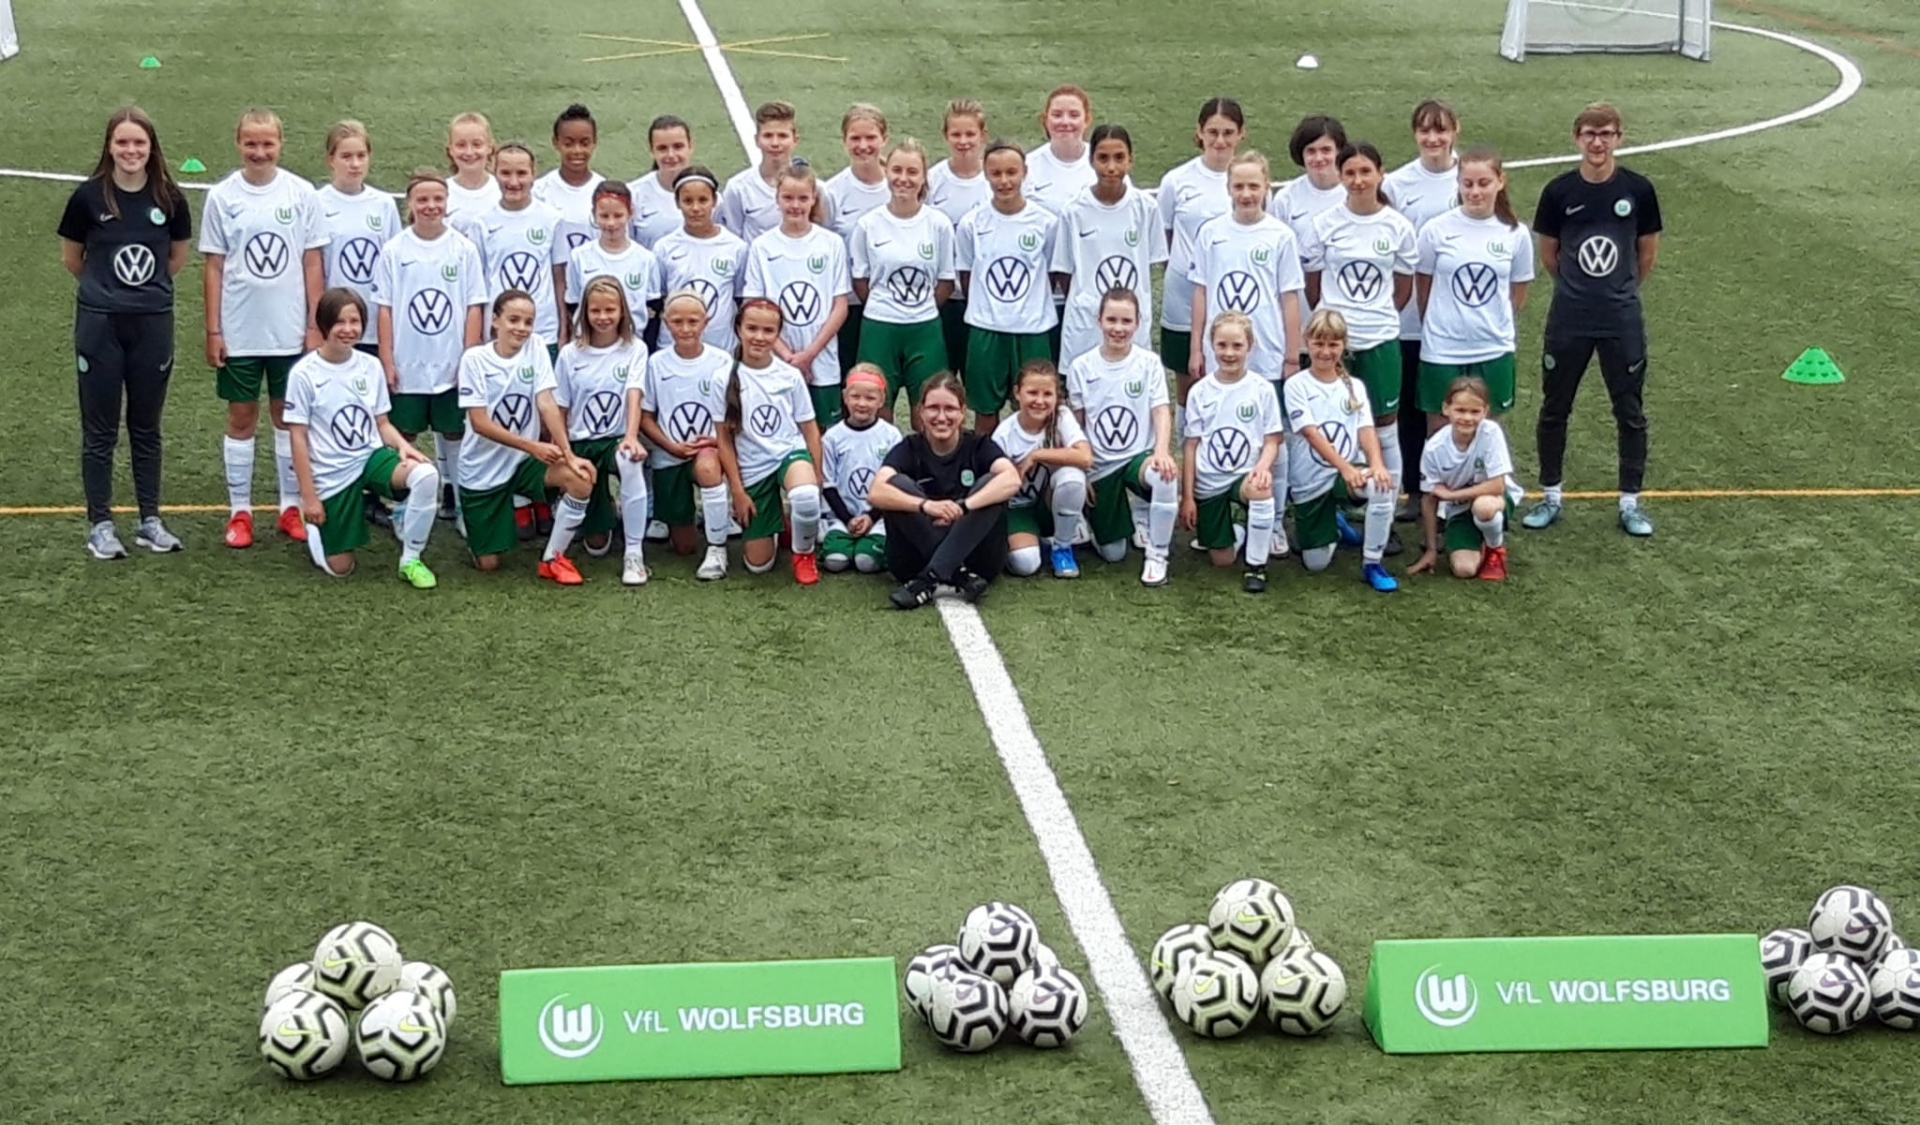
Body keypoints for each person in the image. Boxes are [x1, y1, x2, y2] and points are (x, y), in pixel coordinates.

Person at [1522, 101, 1663, 537]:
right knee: (1554, 408)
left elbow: (1646, 254)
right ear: (1577, 138)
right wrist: (1577, 289)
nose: (1597, 142)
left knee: (1630, 411)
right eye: (1589, 134)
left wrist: (1618, 291)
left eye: (1605, 134)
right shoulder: (1559, 192)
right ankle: (1550, 496)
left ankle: (1630, 503)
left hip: (1621, 319)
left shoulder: (1638, 190)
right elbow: (1550, 255)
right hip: (1569, 318)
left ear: (1619, 138)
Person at [60, 105, 191, 558]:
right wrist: (107, 292)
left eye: (139, 142)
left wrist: (141, 295)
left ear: (151, 148)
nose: (130, 150)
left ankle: (149, 520)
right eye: (123, 142)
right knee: (99, 430)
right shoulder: (87, 198)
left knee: (146, 427)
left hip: (152, 323)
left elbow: (175, 259)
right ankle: (100, 524)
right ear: (110, 147)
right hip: (100, 324)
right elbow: (73, 259)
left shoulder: (170, 199)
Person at [200, 107, 328, 549]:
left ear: (280, 143)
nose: (259, 152)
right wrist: (214, 330)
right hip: (240, 331)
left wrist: (314, 324)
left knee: (287, 417)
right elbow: (214, 266)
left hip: (289, 332)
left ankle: (290, 506)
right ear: (238, 143)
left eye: (267, 143)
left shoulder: (301, 193)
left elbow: (312, 262)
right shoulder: (222, 197)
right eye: (251, 143)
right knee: (241, 417)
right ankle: (240, 512)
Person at [1302, 141, 1415, 554]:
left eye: (1365, 171)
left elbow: (1403, 287)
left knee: (1384, 428)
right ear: (1340, 175)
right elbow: (1313, 285)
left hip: (1380, 341)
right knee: (1331, 425)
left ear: (1380, 174)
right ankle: (1326, 511)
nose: (1358, 180)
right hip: (1336, 345)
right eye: (1349, 172)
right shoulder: (1325, 224)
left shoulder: (1397, 227)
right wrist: (1335, 322)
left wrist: (1376, 315)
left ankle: (1384, 518)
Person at [285, 288, 440, 588]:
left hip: (369, 458)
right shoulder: (304, 374)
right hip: (331, 473)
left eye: (354, 321)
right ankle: (317, 528)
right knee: (340, 569)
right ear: (324, 325)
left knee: (426, 475)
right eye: (339, 322)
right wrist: (309, 498)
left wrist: (403, 446)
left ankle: (411, 559)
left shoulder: (370, 366)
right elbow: (298, 438)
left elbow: (381, 423)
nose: (348, 329)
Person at [455, 290, 596, 582]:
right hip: (482, 471)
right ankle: (481, 531)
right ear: (495, 321)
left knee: (580, 477)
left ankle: (553, 559)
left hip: (522, 463)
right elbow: (479, 423)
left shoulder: (536, 346)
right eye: (513, 319)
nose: (521, 328)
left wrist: (568, 454)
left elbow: (546, 402)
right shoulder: (474, 359)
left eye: (528, 321)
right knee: (488, 565)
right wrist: (532, 446)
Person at [372, 170, 486, 521]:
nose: (431, 206)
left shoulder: (463, 249)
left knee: (454, 431)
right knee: (404, 433)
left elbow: (474, 306)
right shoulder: (394, 250)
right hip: (408, 363)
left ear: (447, 202)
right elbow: (385, 309)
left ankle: (461, 504)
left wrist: (468, 358)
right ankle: (405, 508)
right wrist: (387, 359)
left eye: (438, 199)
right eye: (422, 199)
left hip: (450, 364)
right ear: (410, 203)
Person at [866, 372, 1022, 608]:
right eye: (933, 408)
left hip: (980, 561)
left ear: (962, 412)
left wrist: (964, 507)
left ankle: (928, 579)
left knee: (993, 483)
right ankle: (958, 574)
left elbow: (1012, 479)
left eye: (949, 408)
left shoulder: (979, 445)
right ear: (921, 411)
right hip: (911, 562)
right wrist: (926, 506)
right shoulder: (909, 447)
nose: (941, 417)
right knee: (896, 485)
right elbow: (876, 492)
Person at [1062, 288, 1178, 585]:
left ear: (1138, 323)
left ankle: (1157, 555)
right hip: (1100, 466)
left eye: (1126, 321)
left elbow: (1161, 410)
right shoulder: (1081, 367)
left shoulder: (1148, 363)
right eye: (1111, 320)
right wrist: (1081, 472)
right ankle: (1098, 519)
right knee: (1113, 553)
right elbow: (1076, 426)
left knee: (1164, 475)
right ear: (1099, 320)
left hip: (1137, 458)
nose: (1118, 328)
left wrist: (1161, 451)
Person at [1415, 146, 1532, 430]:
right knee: (1440, 433)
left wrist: (1495, 320)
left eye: (1484, 183)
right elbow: (1423, 288)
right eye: (1467, 184)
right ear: (1458, 184)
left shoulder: (1515, 234)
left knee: (1487, 432)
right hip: (1442, 348)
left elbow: (1518, 290)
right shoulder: (1435, 230)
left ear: (1500, 182)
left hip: (1492, 347)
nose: (1475, 192)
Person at [1284, 309, 1398, 592]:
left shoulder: (1354, 386)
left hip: (1347, 476)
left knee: (1380, 485)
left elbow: (1366, 429)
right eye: (1318, 343)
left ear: (1343, 345)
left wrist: (1376, 464)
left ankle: (1372, 563)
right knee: (1316, 563)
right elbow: (1310, 433)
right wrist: (1344, 467)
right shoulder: (1296, 385)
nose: (1325, 351)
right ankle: (1333, 524)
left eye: (1333, 344)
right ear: (1307, 342)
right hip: (1310, 481)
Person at [1385, 99, 1462, 517]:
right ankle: (1416, 492)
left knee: (1452, 406)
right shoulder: (1398, 184)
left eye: (1441, 130)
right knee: (1410, 410)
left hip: (1454, 320)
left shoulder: (1470, 178)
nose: (1433, 138)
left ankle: (1457, 491)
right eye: (1425, 130)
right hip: (1408, 319)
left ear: (1455, 131)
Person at [954, 140, 1059, 436]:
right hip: (986, 329)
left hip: (1033, 329)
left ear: (1024, 172)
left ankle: (1039, 463)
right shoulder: (972, 223)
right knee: (985, 411)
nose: (1004, 181)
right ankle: (986, 463)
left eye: (1011, 172)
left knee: (1036, 408)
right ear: (985, 175)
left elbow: (1052, 274)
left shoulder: (1046, 223)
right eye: (996, 173)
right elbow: (966, 275)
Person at [716, 299, 825, 584]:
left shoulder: (789, 375)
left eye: (768, 331)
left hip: (789, 454)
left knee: (805, 495)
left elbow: (810, 430)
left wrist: (817, 476)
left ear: (778, 335)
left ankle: (804, 554)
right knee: (758, 565)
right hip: (753, 466)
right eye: (752, 328)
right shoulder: (722, 377)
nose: (759, 337)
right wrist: (737, 492)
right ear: (738, 329)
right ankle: (782, 523)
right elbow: (724, 440)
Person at [1180, 312, 1286, 593]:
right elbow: (1191, 445)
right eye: (1222, 345)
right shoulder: (1200, 391)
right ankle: (1239, 525)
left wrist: (1262, 467)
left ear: (1250, 346)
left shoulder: (1262, 389)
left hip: (1244, 476)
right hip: (1209, 482)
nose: (1229, 353)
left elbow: (1273, 439)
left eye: (1237, 346)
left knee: (1261, 487)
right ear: (1211, 345)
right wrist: (1188, 496)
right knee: (1222, 560)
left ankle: (1256, 567)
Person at [851, 138, 956, 420]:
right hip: (879, 327)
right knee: (876, 406)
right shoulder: (869, 224)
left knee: (928, 407)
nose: (903, 179)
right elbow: (860, 280)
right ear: (887, 172)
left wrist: (919, 308)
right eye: (897, 170)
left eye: (912, 172)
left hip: (924, 328)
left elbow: (946, 280)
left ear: (923, 177)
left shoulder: (938, 224)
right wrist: (886, 305)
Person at [553, 276, 649, 582]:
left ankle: (634, 553)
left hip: (615, 440)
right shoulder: (570, 354)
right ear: (584, 312)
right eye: (595, 310)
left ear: (622, 311)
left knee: (629, 460)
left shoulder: (635, 349)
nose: (603, 317)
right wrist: (564, 452)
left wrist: (631, 436)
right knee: (596, 546)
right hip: (581, 443)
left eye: (610, 310)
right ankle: (600, 510)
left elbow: (634, 393)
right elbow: (560, 407)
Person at [741, 162, 850, 426]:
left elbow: (840, 305)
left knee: (824, 434)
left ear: (813, 199)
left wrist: (809, 354)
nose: (795, 205)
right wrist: (788, 356)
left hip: (822, 362)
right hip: (777, 361)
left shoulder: (831, 243)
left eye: (802, 198)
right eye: (788, 198)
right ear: (777, 198)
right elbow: (753, 305)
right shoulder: (762, 246)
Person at [634, 291, 734, 578]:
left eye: (693, 321)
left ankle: (717, 547)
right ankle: (703, 515)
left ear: (706, 322)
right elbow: (645, 418)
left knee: (707, 465)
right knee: (684, 546)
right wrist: (670, 446)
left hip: (709, 450)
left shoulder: (721, 360)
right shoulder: (656, 363)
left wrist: (716, 441)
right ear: (666, 323)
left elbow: (733, 413)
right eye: (677, 322)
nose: (686, 328)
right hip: (670, 455)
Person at [1051, 124, 1166, 367]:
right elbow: (1063, 271)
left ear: (1130, 160)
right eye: (1103, 158)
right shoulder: (1074, 210)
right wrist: (1087, 300)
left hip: (1131, 323)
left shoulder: (1146, 208)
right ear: (1091, 161)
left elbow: (1151, 264)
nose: (1111, 167)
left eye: (1119, 157)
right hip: (1086, 325)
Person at [1188, 150, 1305, 387]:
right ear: (1228, 188)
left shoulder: (1281, 236)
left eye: (1253, 186)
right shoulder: (1210, 233)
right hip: (1220, 353)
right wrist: (1196, 349)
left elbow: (1290, 298)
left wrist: (1292, 356)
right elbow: (1201, 292)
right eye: (1238, 186)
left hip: (1267, 355)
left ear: (1266, 188)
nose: (1246, 194)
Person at [1158, 97, 1245, 409]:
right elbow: (1165, 236)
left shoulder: (1248, 181)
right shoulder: (1176, 181)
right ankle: (1188, 439)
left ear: (1241, 134)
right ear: (1200, 132)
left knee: (1234, 381)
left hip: (1234, 296)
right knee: (1189, 384)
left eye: (1228, 132)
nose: (1220, 141)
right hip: (1182, 298)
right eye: (1213, 132)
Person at [1408, 376, 1522, 582]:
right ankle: (1478, 540)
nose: (1467, 418)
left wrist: (1452, 495)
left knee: (1484, 507)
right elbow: (1429, 499)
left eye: (1474, 411)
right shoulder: (1434, 448)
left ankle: (1495, 550)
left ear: (1485, 411)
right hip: (1459, 510)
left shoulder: (1491, 432)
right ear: (1446, 409)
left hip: (1495, 500)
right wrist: (1431, 549)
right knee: (1464, 570)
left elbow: (1497, 486)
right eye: (1460, 410)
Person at [994, 359, 1091, 578]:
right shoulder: (1004, 435)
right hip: (1017, 507)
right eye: (1032, 393)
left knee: (1073, 478)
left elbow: (1085, 457)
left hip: (1048, 502)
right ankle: (1027, 541)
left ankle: (1062, 547)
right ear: (1017, 393)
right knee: (1025, 564)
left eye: (1047, 394)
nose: (1039, 401)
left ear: (1057, 397)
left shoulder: (1061, 416)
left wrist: (1036, 455)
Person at [473, 143, 568, 349]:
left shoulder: (552, 219)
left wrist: (563, 328)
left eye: (522, 173)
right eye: (505, 173)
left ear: (533, 174)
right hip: (498, 333)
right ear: (494, 173)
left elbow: (559, 277)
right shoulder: (481, 222)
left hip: (543, 332)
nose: (513, 181)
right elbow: (476, 285)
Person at [825, 103, 891, 380]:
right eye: (855, 138)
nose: (863, 146)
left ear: (884, 138)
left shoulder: (901, 185)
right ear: (844, 141)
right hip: (849, 306)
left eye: (870, 137)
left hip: (893, 305)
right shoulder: (832, 192)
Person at [653, 165, 748, 352]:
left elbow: (738, 297)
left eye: (703, 200)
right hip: (673, 348)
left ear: (715, 200)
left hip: (722, 348)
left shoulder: (736, 247)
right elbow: (661, 296)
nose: (695, 208)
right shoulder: (664, 248)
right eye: (688, 201)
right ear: (677, 202)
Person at [928, 99, 990, 381]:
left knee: (977, 382)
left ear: (982, 135)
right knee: (940, 381)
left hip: (984, 300)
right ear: (945, 135)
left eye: (970, 134)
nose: (963, 141)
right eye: (956, 134)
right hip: (944, 300)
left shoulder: (994, 180)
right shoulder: (932, 180)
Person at [819, 364, 902, 574]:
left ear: (881, 400)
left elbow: (894, 484)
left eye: (870, 398)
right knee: (835, 561)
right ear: (845, 397)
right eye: (855, 396)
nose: (862, 404)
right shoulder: (832, 437)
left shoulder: (891, 436)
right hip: (842, 516)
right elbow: (827, 484)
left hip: (878, 518)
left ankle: (876, 542)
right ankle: (836, 535)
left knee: (866, 562)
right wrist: (847, 519)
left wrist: (871, 517)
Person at [565, 180, 660, 337]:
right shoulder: (579, 256)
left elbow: (652, 308)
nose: (611, 223)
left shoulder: (646, 259)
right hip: (590, 343)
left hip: (631, 344)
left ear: (630, 213)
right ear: (594, 214)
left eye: (618, 215)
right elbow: (573, 303)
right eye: (604, 216)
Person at [1267, 115, 1349, 274]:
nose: (1319, 158)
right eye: (1311, 151)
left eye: (1326, 150)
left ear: (1339, 151)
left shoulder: (1355, 192)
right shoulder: (1286, 199)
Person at [719, 101, 799, 243]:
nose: (775, 143)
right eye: (768, 136)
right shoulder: (738, 188)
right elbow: (733, 239)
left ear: (795, 140)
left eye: (782, 136)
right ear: (757, 140)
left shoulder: (815, 188)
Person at [532, 103, 606, 255]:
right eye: (568, 144)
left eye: (584, 143)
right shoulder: (539, 191)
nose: (577, 150)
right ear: (556, 142)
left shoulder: (605, 191)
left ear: (594, 142)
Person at [1024, 85, 1096, 213]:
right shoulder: (1027, 166)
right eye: (1057, 115)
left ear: (1087, 120)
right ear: (1045, 119)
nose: (1065, 122)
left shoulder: (1104, 162)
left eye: (1074, 115)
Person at [629, 114, 696, 249]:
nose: (671, 155)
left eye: (678, 146)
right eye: (662, 148)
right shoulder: (633, 195)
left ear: (690, 147)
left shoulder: (709, 196)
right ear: (651, 151)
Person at [443, 111, 500, 232]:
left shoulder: (502, 190)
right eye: (461, 145)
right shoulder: (441, 192)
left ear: (489, 147)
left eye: (477, 144)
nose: (469, 152)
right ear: (450, 150)